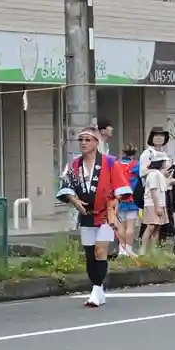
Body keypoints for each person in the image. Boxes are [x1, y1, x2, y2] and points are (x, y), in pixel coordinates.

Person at [56, 125, 131, 308]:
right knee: (90, 255)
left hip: (105, 215)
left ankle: (96, 291)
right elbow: (66, 186)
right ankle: (98, 290)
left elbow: (121, 186)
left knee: (100, 250)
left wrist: (116, 200)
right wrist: (74, 200)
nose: (83, 143)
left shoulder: (109, 162)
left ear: (97, 142)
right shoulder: (74, 164)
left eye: (88, 140)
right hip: (87, 215)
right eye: (81, 140)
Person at [116, 143, 140, 256]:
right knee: (130, 227)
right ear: (134, 153)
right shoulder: (137, 164)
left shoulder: (117, 164)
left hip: (119, 198)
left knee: (121, 225)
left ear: (123, 152)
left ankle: (121, 249)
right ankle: (129, 249)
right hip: (132, 199)